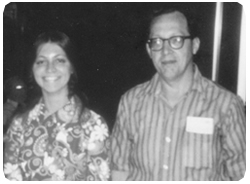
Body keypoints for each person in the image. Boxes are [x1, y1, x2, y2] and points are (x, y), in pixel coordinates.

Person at [110, 8, 245, 181]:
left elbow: (240, 173)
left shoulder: (226, 105)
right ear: (149, 50)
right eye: (157, 42)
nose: (165, 51)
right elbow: (119, 171)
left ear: (194, 45)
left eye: (176, 40)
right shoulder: (130, 103)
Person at [4, 31, 110, 181]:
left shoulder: (93, 125)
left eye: (59, 60)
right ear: (32, 69)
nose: (50, 68)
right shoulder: (18, 126)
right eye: (41, 61)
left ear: (71, 67)